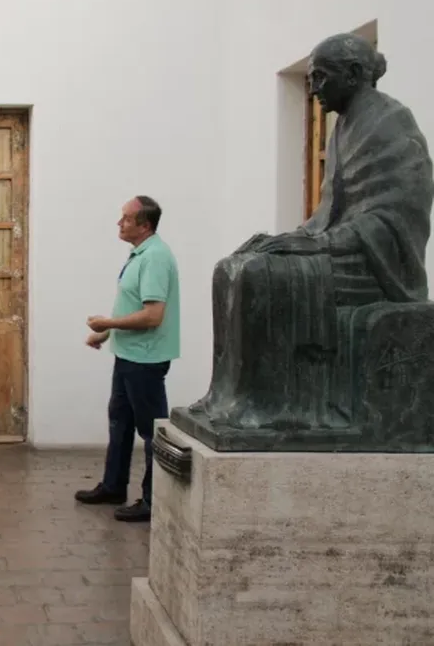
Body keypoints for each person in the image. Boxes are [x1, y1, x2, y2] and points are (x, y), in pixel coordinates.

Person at [185, 33, 434, 435]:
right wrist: (297, 237)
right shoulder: (342, 127)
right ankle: (228, 396)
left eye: (320, 76)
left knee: (257, 277)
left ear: (353, 75)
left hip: (379, 263)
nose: (314, 87)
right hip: (344, 248)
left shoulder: (391, 122)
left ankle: (269, 405)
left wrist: (320, 243)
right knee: (230, 267)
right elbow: (329, 210)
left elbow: (394, 214)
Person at [74, 195, 180, 523]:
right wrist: (107, 334)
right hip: (128, 354)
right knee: (119, 422)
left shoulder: (156, 258)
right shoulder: (140, 254)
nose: (119, 223)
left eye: (126, 218)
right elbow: (132, 306)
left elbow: (152, 316)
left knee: (150, 431)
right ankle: (113, 485)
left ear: (144, 225)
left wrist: (107, 324)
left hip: (146, 360)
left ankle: (153, 500)